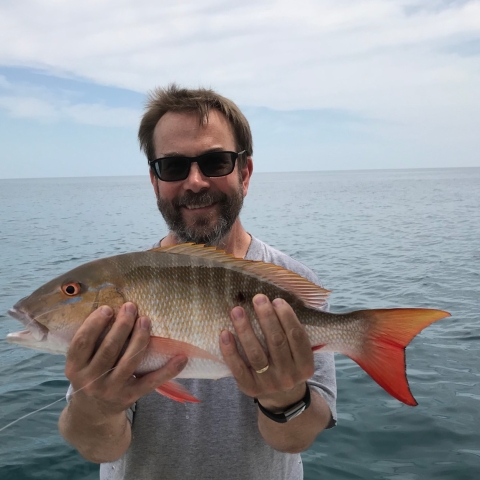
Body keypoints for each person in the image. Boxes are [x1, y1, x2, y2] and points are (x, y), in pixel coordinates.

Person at [58, 85, 337, 479]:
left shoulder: (293, 283)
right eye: (172, 167)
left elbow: (296, 439)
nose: (195, 182)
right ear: (154, 181)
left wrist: (284, 398)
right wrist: (98, 407)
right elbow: (98, 446)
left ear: (246, 172)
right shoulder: (122, 286)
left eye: (215, 161)